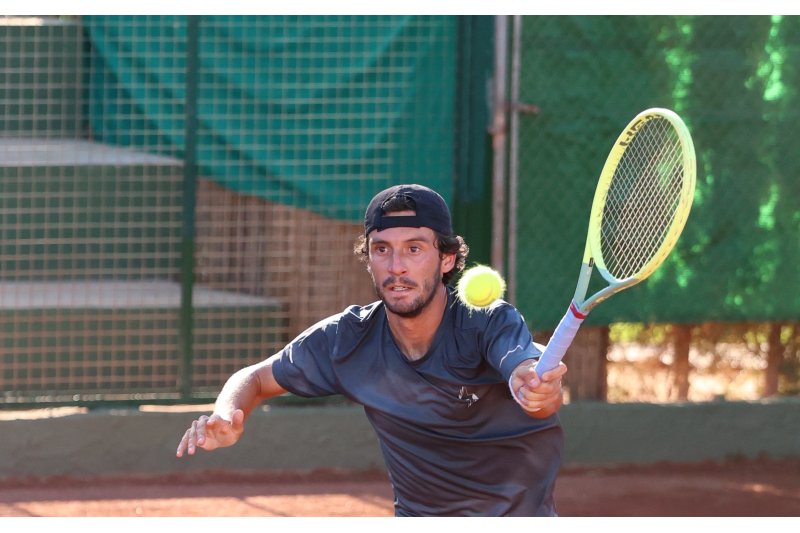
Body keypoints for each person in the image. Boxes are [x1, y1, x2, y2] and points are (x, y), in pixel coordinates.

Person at [176, 183, 568, 516]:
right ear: (369, 259)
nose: (396, 266)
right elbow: (255, 378)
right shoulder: (348, 339)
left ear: (446, 259)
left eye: (414, 249)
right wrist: (226, 414)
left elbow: (531, 385)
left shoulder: (487, 322)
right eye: (382, 249)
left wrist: (538, 390)